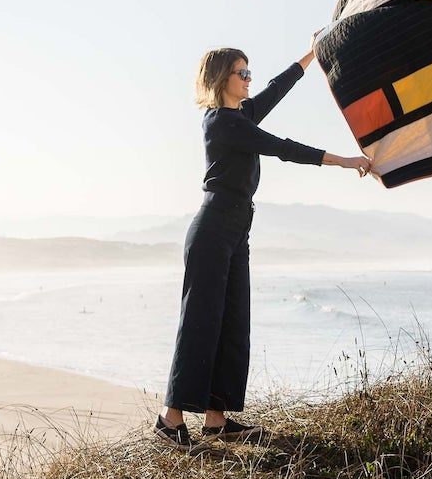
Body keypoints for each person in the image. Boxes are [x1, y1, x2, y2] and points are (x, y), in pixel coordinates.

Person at [155, 46, 372, 451]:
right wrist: (342, 161)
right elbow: (283, 147)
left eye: (249, 72)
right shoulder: (221, 122)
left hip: (238, 229)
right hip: (213, 228)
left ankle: (217, 420)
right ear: (223, 79)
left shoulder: (241, 115)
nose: (249, 78)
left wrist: (315, 54)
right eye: (242, 73)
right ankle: (171, 420)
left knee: (234, 323)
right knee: (201, 323)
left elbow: (278, 88)